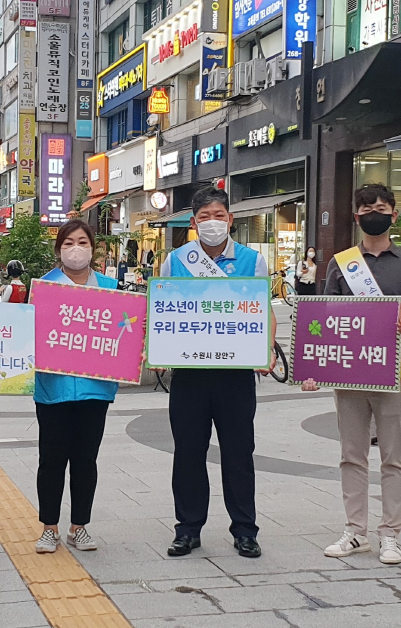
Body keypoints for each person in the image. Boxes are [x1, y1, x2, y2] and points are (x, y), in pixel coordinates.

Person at [304, 185, 401, 565]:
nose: (373, 213)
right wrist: (312, 367)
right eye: (366, 208)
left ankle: (390, 533)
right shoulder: (340, 263)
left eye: (381, 208)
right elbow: (323, 316)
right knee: (351, 454)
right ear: (356, 215)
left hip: (395, 370)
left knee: (394, 455)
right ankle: (355, 530)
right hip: (349, 372)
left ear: (394, 215)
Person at [161, 186, 269, 559]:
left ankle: (245, 530)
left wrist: (265, 348)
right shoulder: (175, 261)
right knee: (188, 452)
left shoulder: (252, 261)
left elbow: (261, 309)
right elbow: (162, 311)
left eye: (218, 216)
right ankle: (188, 529)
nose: (212, 223)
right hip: (189, 373)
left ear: (231, 220)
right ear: (193, 223)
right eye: (204, 217)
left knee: (239, 452)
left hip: (235, 375)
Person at [32, 220, 117, 554]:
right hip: (53, 389)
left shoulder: (110, 287)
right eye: (68, 243)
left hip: (96, 389)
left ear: (93, 248)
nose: (76, 248)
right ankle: (49, 527)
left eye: (82, 242)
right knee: (51, 459)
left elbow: (122, 332)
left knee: (86, 459)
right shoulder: (43, 288)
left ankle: (78, 526)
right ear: (58, 249)